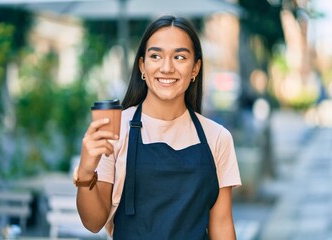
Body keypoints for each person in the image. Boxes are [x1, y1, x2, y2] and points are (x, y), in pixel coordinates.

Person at [74, 15, 241, 239]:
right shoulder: (115, 130)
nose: (167, 67)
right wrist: (86, 171)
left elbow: (221, 225)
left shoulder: (217, 137)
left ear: (195, 69)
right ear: (143, 65)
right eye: (156, 56)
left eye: (180, 57)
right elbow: (93, 223)